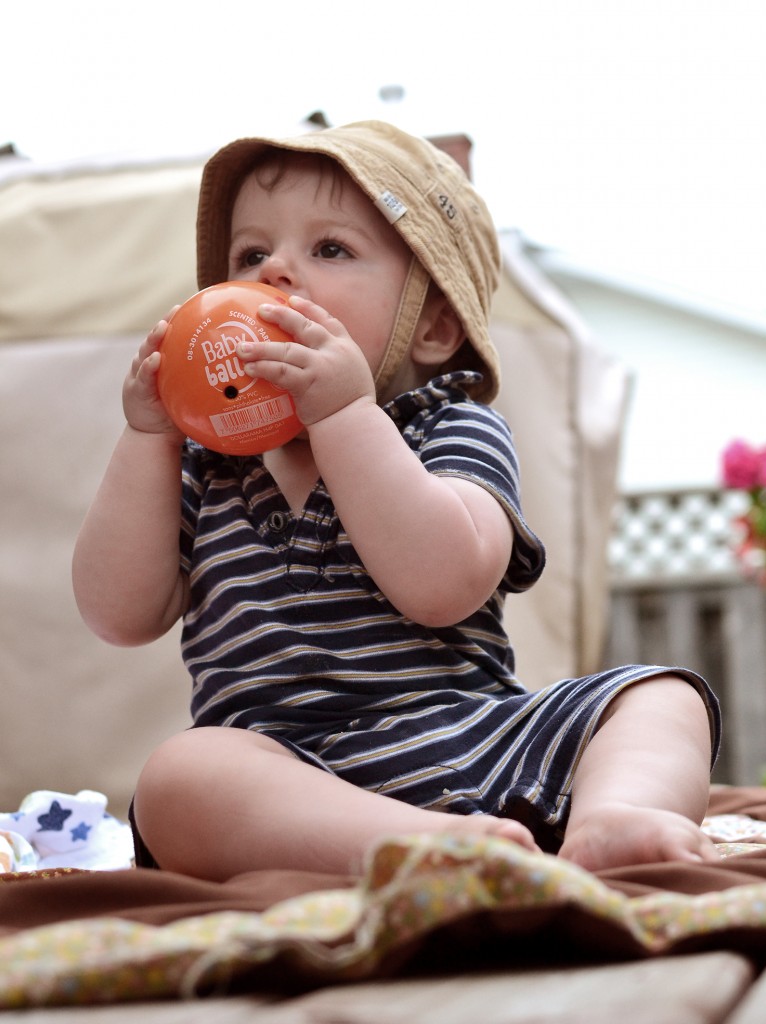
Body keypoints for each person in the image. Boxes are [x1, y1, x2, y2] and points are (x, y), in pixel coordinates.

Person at [72, 121, 721, 882]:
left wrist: (344, 418)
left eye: (331, 249)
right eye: (250, 256)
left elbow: (442, 585)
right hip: (289, 779)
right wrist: (149, 434)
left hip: (476, 741)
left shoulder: (450, 425)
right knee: (181, 777)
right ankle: (422, 849)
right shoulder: (208, 462)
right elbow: (117, 614)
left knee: (659, 696)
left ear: (435, 327)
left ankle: (613, 819)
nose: (274, 273)